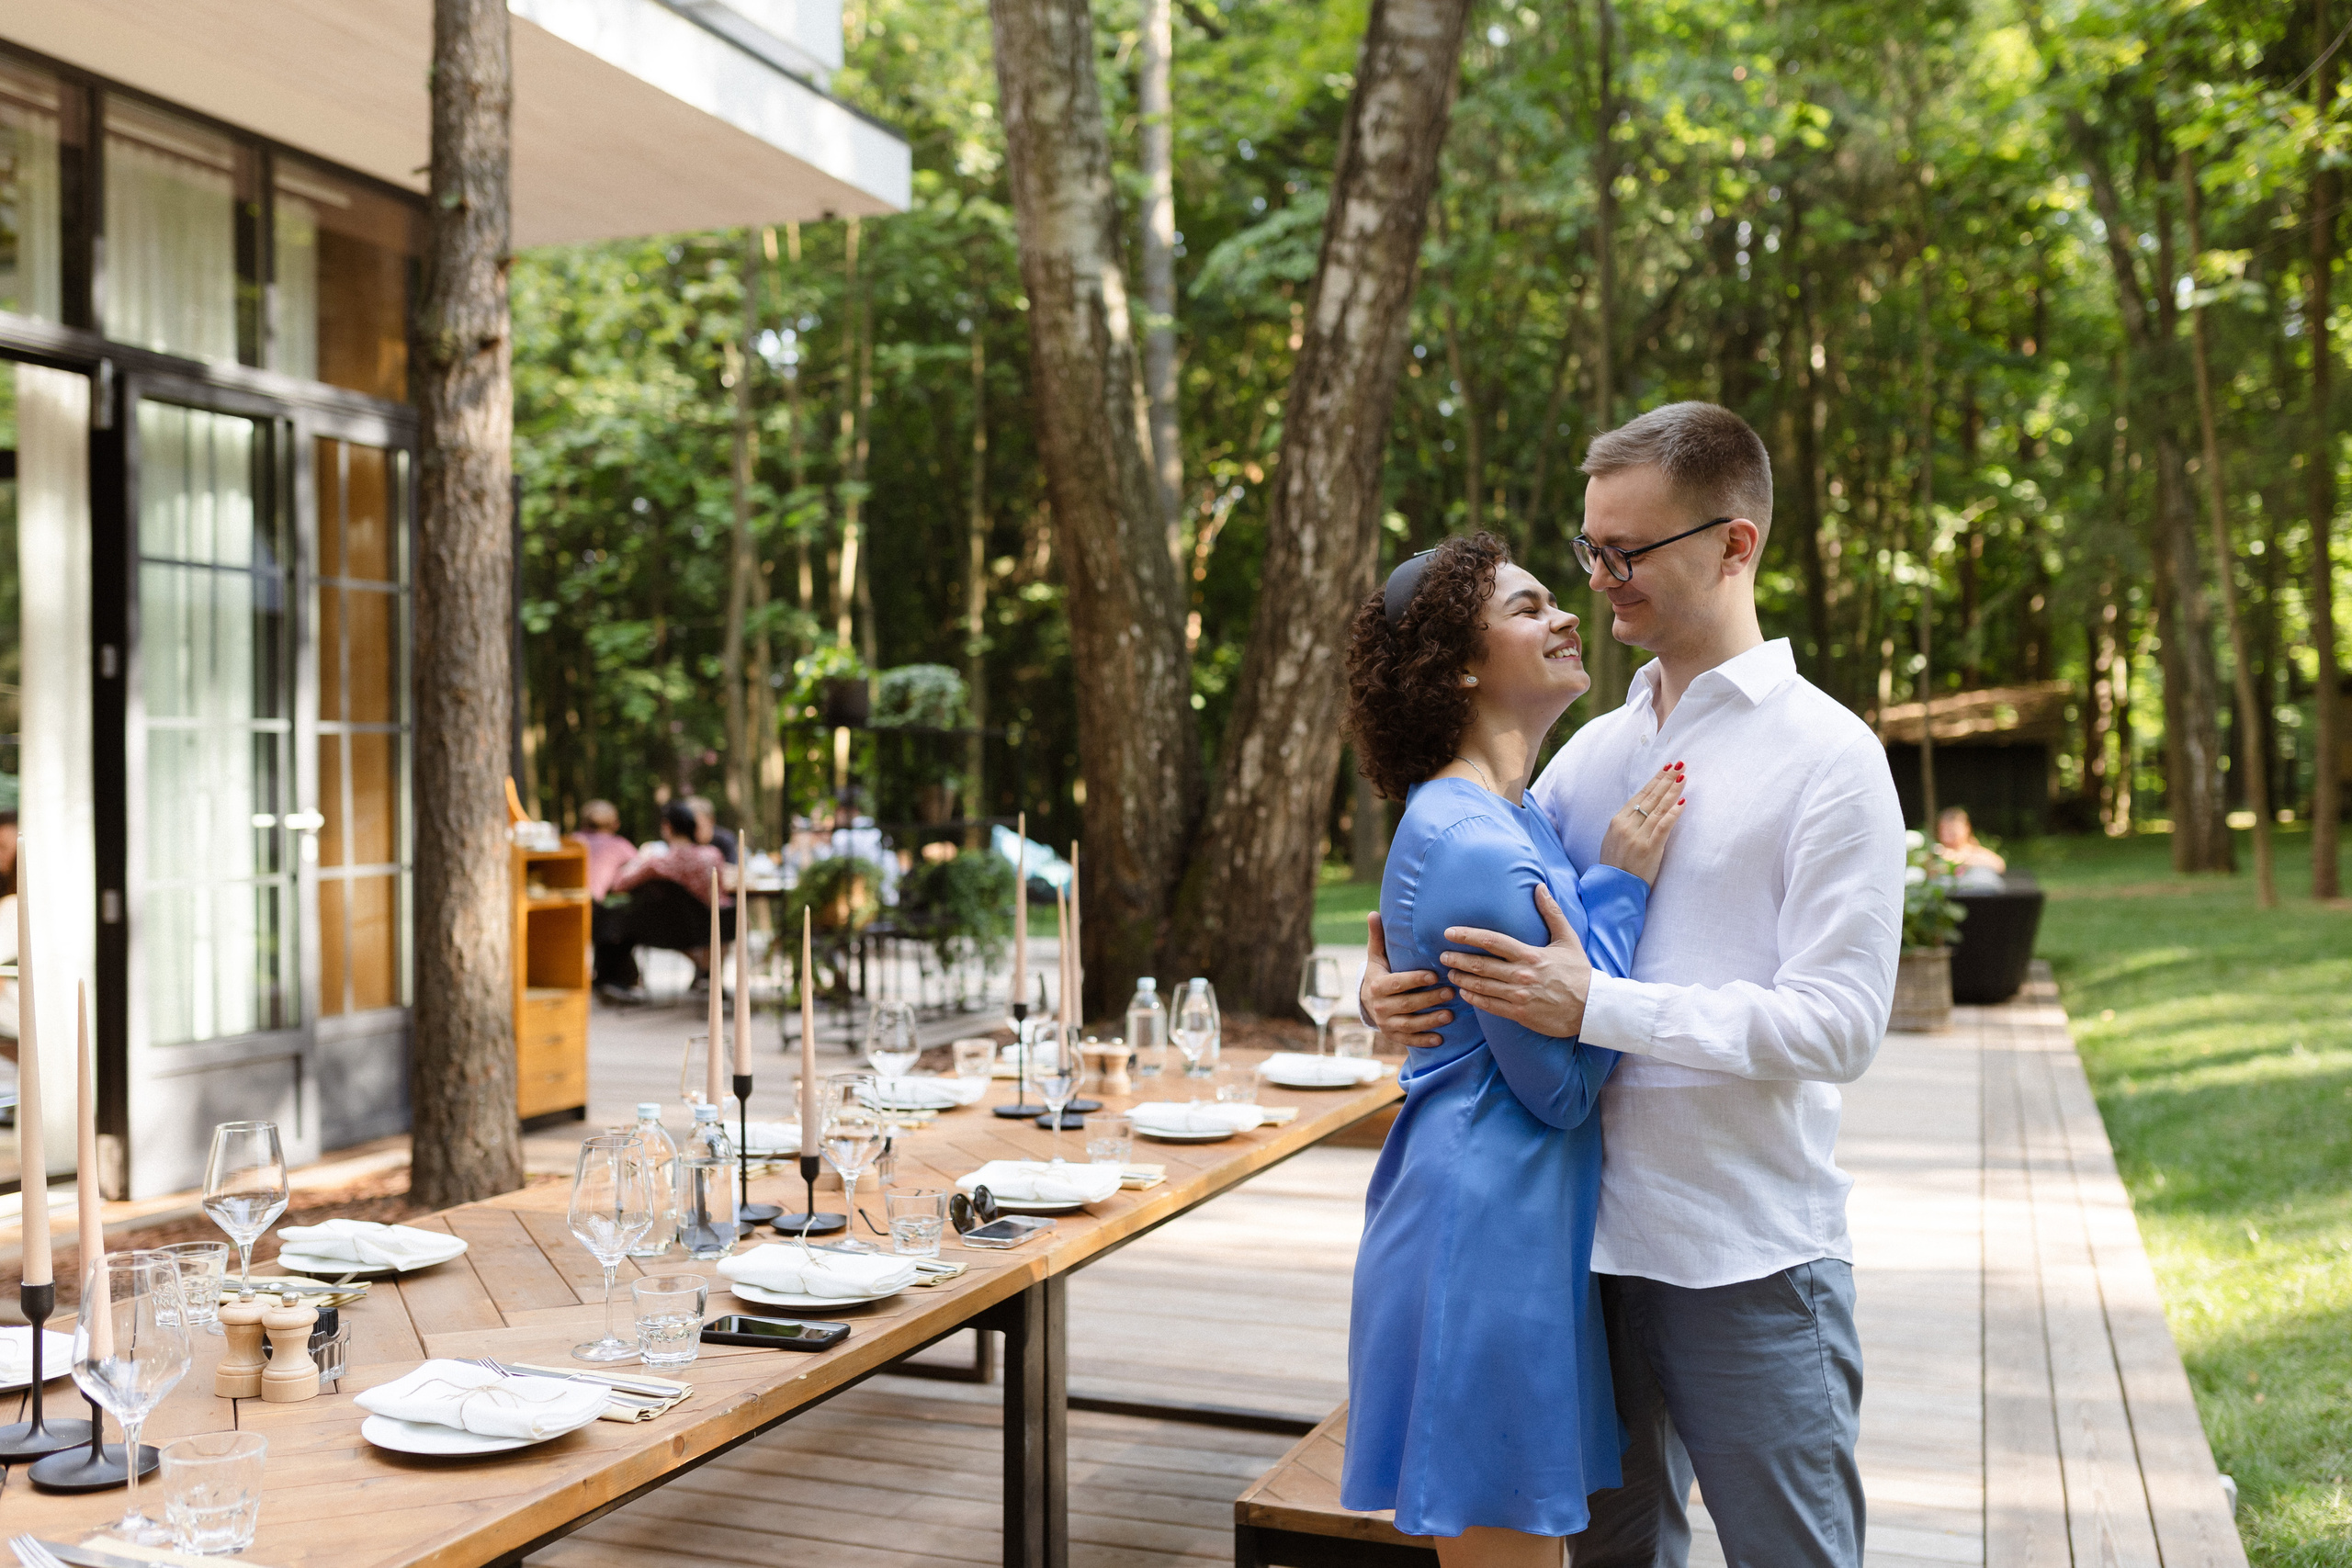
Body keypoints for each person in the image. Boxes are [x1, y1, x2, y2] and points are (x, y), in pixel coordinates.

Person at [1362, 402, 1905, 1568]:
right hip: (1581, 1262)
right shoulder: (1590, 752)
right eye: (1588, 550)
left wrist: (1600, 1009)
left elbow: (1841, 1026)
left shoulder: (1832, 759)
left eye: (1629, 552)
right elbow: (1497, 917)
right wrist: (1393, 991)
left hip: (1745, 1259)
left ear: (1734, 543)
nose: (1600, 581)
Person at [1339, 532, 1687, 1565]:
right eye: (1529, 607)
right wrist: (1621, 884)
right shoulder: (1478, 841)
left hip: (1509, 1233)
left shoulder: (1512, 811)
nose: (1567, 613)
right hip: (1480, 1246)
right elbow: (1564, 1089)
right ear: (1458, 664)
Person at [594, 800, 735, 998]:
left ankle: (704, 972)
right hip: (717, 925)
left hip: (673, 931)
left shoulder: (658, 863)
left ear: (667, 827)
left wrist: (638, 861)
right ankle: (709, 976)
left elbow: (619, 885)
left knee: (616, 914)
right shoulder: (713, 855)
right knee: (724, 918)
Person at [569, 799, 636, 901]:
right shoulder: (618, 845)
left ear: (583, 822)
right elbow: (640, 865)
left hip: (556, 904)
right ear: (615, 824)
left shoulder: (570, 841)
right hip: (590, 906)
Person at [1934, 806, 2006, 876]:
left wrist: (1962, 860)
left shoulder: (1976, 852)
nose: (1948, 833)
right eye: (1945, 830)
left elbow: (2000, 866)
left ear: (1966, 828)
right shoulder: (1935, 853)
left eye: (1953, 829)